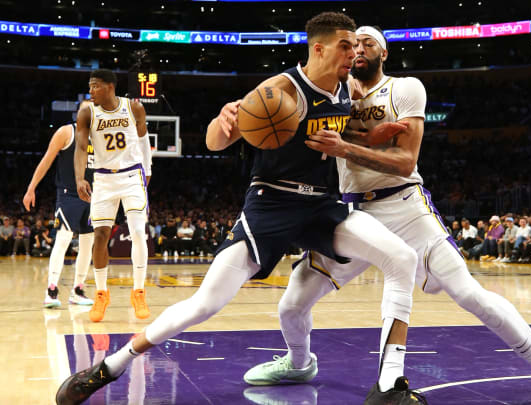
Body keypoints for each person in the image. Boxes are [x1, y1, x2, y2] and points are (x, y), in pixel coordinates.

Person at [57, 12, 419, 405]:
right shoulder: (279, 90)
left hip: (321, 206)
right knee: (206, 303)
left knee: (401, 257)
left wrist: (371, 135)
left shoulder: (346, 88)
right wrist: (223, 122)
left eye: (357, 45)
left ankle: (390, 383)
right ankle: (111, 365)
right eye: (346, 45)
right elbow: (215, 142)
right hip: (273, 204)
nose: (355, 52)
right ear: (319, 48)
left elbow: (338, 126)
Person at [243, 25, 531, 405]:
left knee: (471, 294)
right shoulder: (333, 95)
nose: (358, 49)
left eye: (367, 43)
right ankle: (298, 362)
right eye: (352, 44)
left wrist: (346, 148)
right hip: (350, 212)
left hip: (404, 206)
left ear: (383, 53)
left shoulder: (404, 88)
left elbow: (405, 162)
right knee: (292, 304)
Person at [73, 69, 153, 322]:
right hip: (104, 178)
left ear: (109, 86)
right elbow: (79, 147)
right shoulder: (87, 112)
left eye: (95, 86)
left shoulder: (134, 108)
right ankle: (101, 294)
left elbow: (143, 142)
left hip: (132, 176)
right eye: (89, 86)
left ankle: (138, 292)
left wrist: (147, 172)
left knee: (138, 232)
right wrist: (79, 177)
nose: (91, 90)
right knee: (100, 235)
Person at [23, 100, 95, 308]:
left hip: (93, 195)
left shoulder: (100, 137)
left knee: (87, 245)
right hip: (69, 194)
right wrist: (31, 187)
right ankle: (51, 290)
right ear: (77, 113)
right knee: (63, 239)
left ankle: (78, 290)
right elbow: (47, 159)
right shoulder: (67, 132)